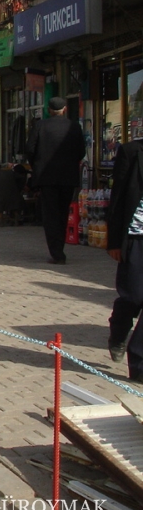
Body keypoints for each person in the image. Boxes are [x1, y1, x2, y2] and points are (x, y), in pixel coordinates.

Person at [25, 96, 86, 264]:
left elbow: (30, 149)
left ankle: (56, 252)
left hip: (46, 178)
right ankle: (60, 248)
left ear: (49, 110)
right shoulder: (74, 127)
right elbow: (81, 151)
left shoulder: (40, 126)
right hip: (68, 177)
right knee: (63, 212)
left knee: (50, 214)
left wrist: (37, 165)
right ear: (65, 109)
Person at [106, 136, 143, 380]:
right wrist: (114, 241)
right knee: (134, 296)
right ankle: (119, 331)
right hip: (136, 235)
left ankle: (139, 365)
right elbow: (118, 196)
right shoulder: (132, 151)